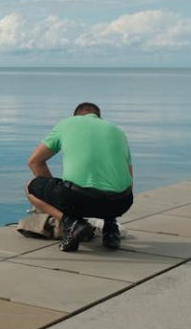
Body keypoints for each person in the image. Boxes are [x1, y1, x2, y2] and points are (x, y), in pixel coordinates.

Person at [25, 102, 133, 252]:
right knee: (110, 186)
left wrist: (56, 202)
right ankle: (110, 228)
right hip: (122, 203)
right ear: (99, 118)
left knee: (31, 187)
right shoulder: (118, 131)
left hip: (78, 199)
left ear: (76, 116)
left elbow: (35, 162)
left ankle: (71, 223)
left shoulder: (66, 124)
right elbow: (129, 179)